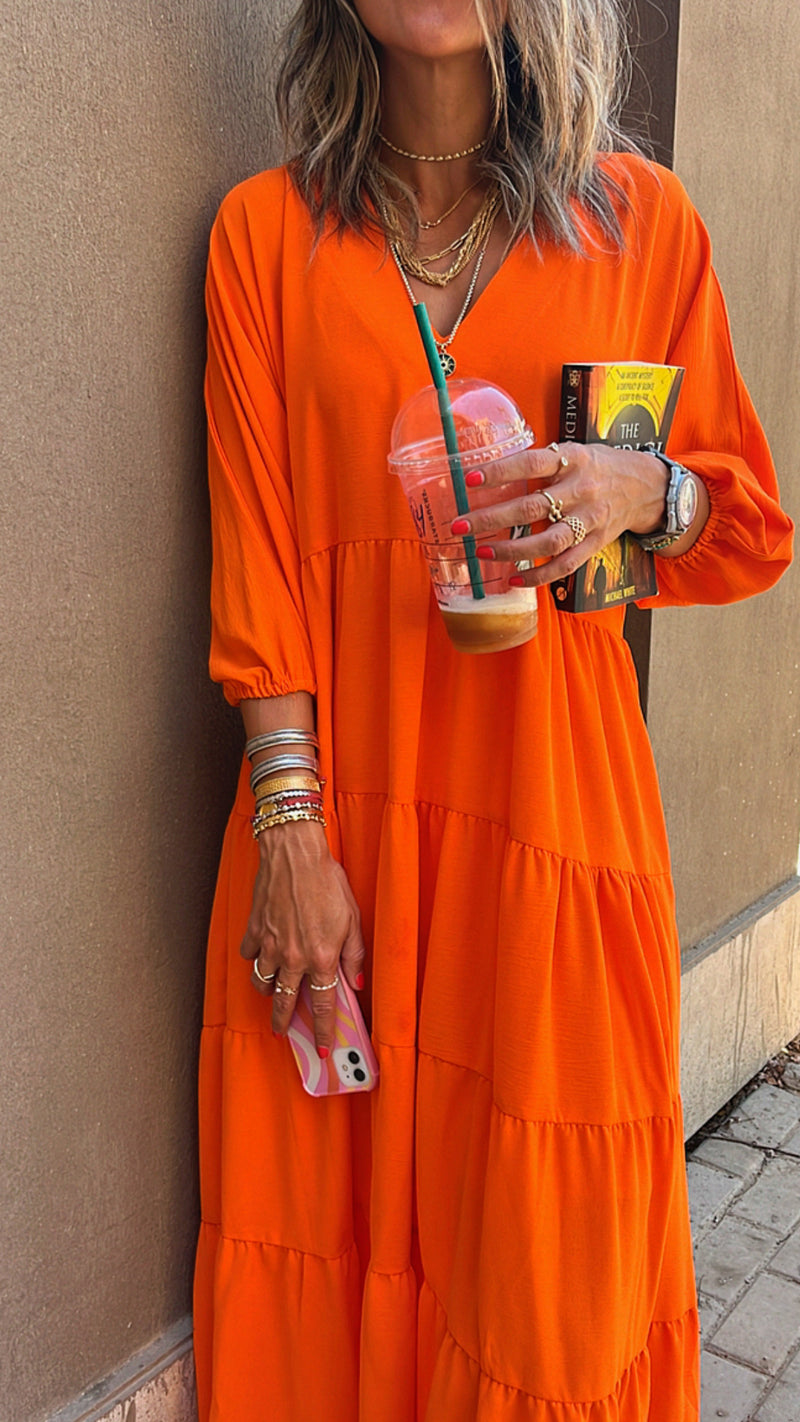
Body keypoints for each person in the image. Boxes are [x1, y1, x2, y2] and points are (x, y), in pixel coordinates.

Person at [193, 3, 793, 1419]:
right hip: (339, 848)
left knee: (547, 1281)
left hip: (554, 838)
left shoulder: (642, 226)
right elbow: (258, 557)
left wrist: (641, 491)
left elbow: (750, 520)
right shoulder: (263, 239)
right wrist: (290, 830)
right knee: (330, 1254)